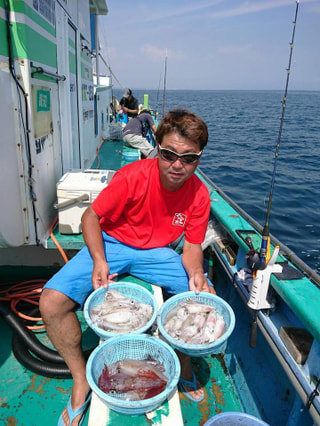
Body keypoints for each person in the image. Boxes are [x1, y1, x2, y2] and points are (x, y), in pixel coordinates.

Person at [39, 108, 215, 426]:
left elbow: (191, 249)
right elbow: (90, 217)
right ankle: (81, 380)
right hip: (114, 244)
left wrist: (198, 274)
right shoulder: (132, 176)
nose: (178, 165)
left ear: (198, 159)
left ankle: (184, 362)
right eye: (169, 154)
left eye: (188, 158)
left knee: (200, 299)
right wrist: (99, 260)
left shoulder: (200, 195)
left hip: (159, 252)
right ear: (156, 147)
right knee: (50, 302)